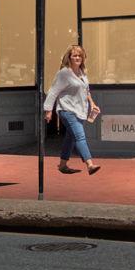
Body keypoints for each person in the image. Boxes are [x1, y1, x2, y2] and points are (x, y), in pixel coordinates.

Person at [42, 44, 101, 175]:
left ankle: (63, 165)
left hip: (80, 110)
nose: (77, 58)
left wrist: (92, 103)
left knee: (71, 138)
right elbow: (53, 92)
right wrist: (48, 110)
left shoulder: (82, 73)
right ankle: (90, 164)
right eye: (75, 55)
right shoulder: (64, 73)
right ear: (69, 57)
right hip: (67, 110)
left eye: (80, 55)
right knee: (80, 136)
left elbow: (86, 90)